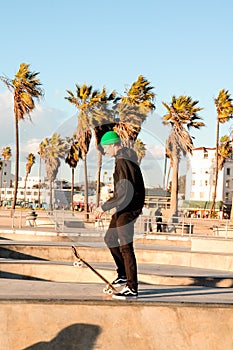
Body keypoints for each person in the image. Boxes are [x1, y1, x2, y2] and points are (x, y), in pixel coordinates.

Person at [95, 131, 145, 299]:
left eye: (105, 148)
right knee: (110, 237)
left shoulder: (123, 161)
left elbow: (124, 192)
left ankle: (132, 287)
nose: (105, 151)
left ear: (113, 145)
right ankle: (123, 274)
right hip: (123, 207)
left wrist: (104, 207)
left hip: (129, 208)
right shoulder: (123, 159)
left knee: (125, 246)